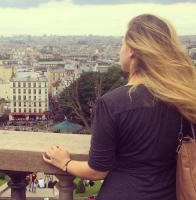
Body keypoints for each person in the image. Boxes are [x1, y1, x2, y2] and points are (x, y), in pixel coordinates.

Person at [43, 14, 196, 200]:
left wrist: (65, 162)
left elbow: (97, 171)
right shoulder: (185, 99)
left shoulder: (112, 103)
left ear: (132, 50)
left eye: (122, 44)